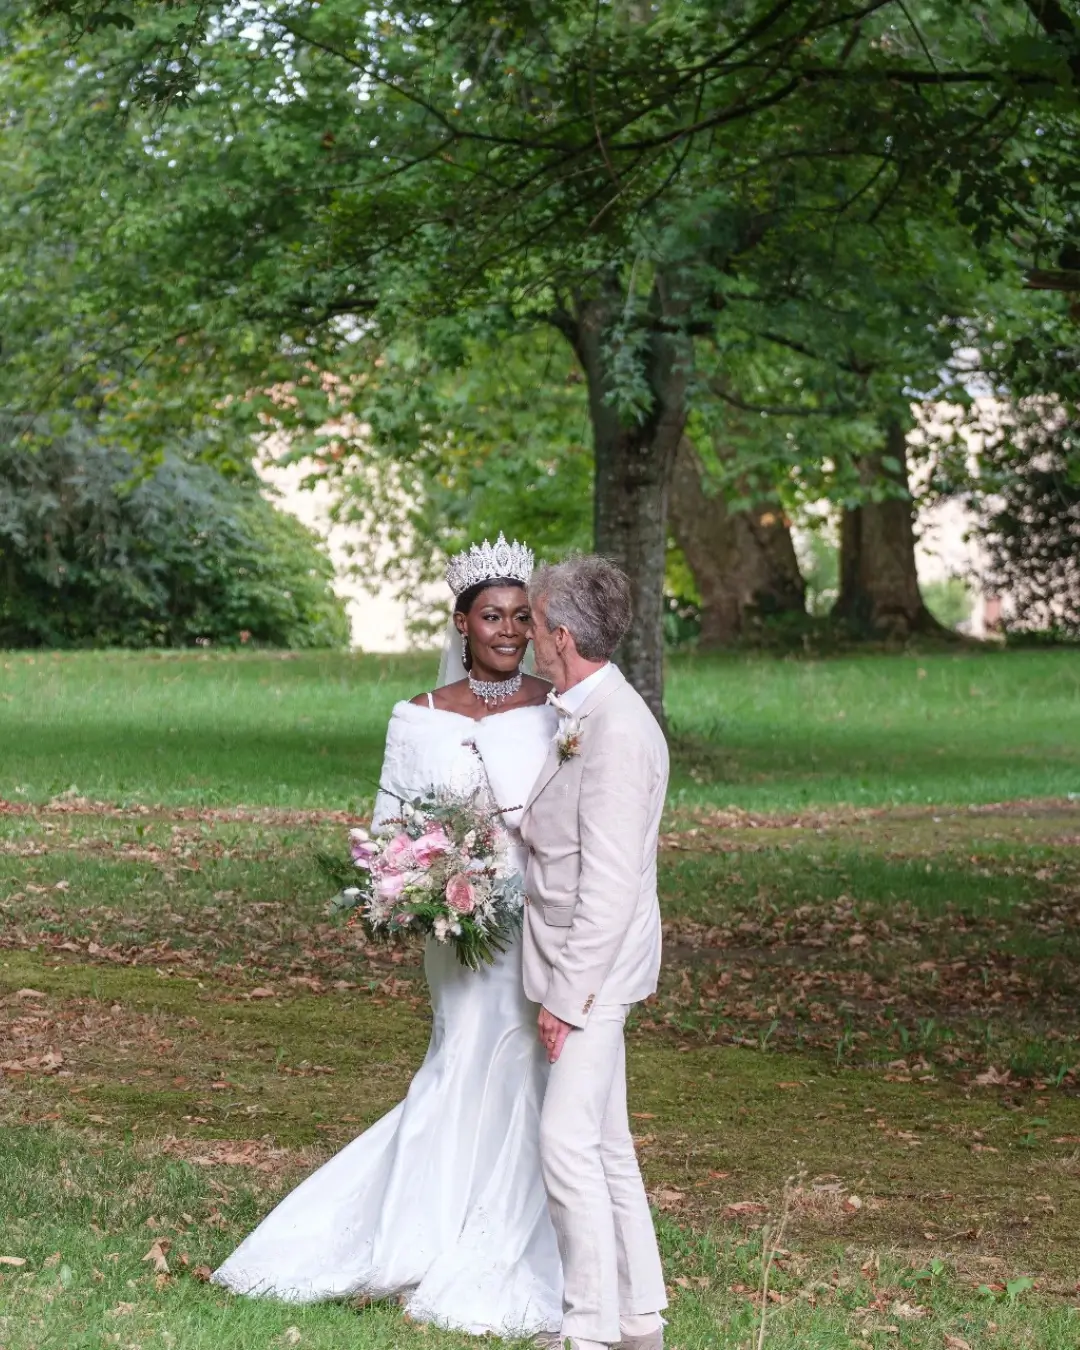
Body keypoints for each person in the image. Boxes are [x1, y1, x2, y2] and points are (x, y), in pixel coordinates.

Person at [212, 534, 565, 1338]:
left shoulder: (556, 708)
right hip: (461, 926)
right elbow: (390, 828)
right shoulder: (416, 718)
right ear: (461, 622)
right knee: (461, 1057)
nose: (510, 632)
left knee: (531, 1069)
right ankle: (418, 1229)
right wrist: (419, 887)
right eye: (493, 617)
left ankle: (506, 1225)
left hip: (539, 921)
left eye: (521, 618)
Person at [521, 555, 669, 1350]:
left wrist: (567, 999)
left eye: (538, 625)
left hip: (595, 972)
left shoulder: (615, 732)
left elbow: (610, 887)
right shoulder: (589, 711)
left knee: (566, 1142)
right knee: (607, 1143)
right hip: (583, 963)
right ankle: (638, 1317)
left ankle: (587, 1333)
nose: (530, 638)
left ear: (565, 638)